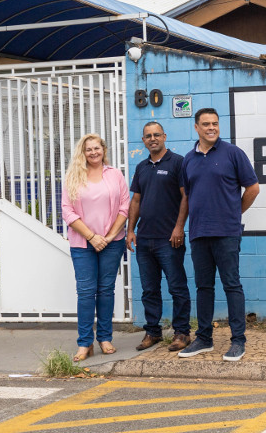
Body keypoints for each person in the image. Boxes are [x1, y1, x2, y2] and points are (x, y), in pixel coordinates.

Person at [177, 108, 259, 362]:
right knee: (203, 287)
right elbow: (187, 197)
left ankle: (238, 341)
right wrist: (180, 226)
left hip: (226, 232)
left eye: (215, 123)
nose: (211, 127)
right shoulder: (188, 159)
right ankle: (204, 338)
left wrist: (234, 213)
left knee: (232, 285)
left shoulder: (233, 153)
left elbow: (253, 188)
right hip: (199, 232)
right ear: (196, 127)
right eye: (206, 124)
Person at [60, 133, 129, 362]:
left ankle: (105, 338)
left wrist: (108, 237)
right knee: (86, 292)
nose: (93, 152)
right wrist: (92, 237)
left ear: (103, 149)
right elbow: (67, 212)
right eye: (88, 149)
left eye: (96, 148)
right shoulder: (73, 176)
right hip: (83, 243)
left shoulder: (115, 175)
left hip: (112, 242)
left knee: (106, 290)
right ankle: (84, 343)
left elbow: (124, 207)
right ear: (83, 152)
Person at [126, 121, 193, 352]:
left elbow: (186, 197)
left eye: (156, 135)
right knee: (149, 289)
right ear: (143, 141)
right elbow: (136, 200)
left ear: (164, 136)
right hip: (144, 240)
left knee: (177, 287)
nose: (152, 138)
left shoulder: (178, 162)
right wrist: (130, 230)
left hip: (169, 239)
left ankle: (182, 333)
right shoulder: (142, 166)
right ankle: (152, 332)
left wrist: (178, 228)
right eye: (147, 136)